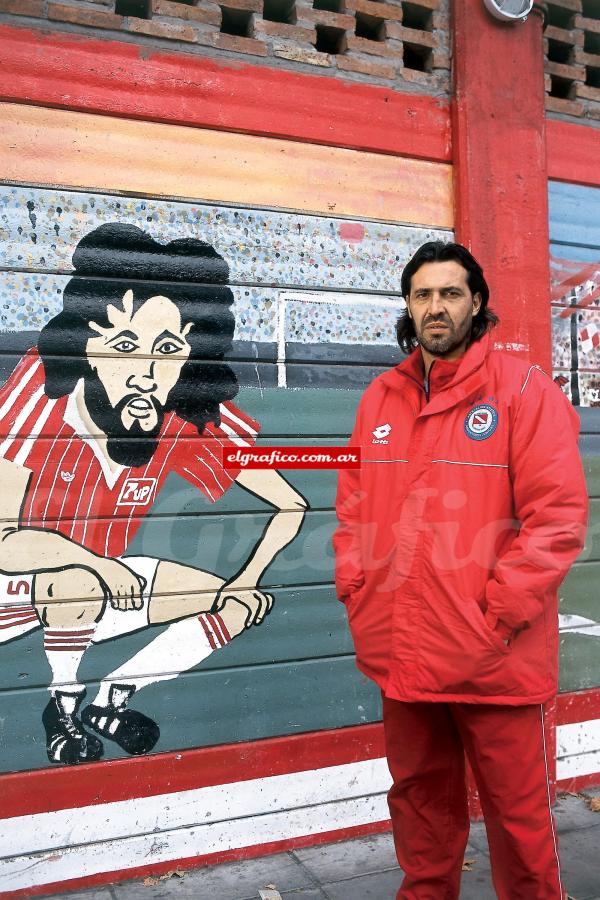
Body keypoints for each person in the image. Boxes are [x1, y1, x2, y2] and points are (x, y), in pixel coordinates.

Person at [333, 241, 588, 899]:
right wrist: (355, 586)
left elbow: (555, 520)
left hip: (491, 655)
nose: (436, 307)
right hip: (401, 651)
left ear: (477, 303)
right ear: (407, 307)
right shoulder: (380, 399)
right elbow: (353, 506)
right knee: (420, 805)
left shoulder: (525, 392)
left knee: (519, 821)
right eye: (423, 295)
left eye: (450, 293)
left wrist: (498, 615)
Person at [0, 223, 306, 765]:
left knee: (233, 604)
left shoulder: (184, 418)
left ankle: (113, 699)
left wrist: (248, 579)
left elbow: (294, 503)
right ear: (87, 345)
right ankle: (61, 705)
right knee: (77, 582)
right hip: (16, 591)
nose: (145, 372)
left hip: (102, 582)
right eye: (124, 345)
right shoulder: (40, 392)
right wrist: (97, 567)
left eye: (167, 350)